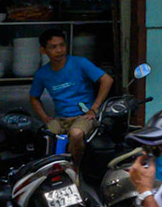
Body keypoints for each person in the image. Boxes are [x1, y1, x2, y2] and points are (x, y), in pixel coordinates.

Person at [29, 26, 113, 158]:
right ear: (43, 50)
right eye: (53, 47)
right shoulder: (42, 74)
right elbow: (34, 97)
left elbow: (107, 80)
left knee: (76, 134)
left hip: (84, 117)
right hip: (60, 119)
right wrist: (44, 117)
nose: (59, 50)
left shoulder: (80, 63)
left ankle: (75, 171)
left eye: (62, 45)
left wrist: (94, 109)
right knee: (44, 135)